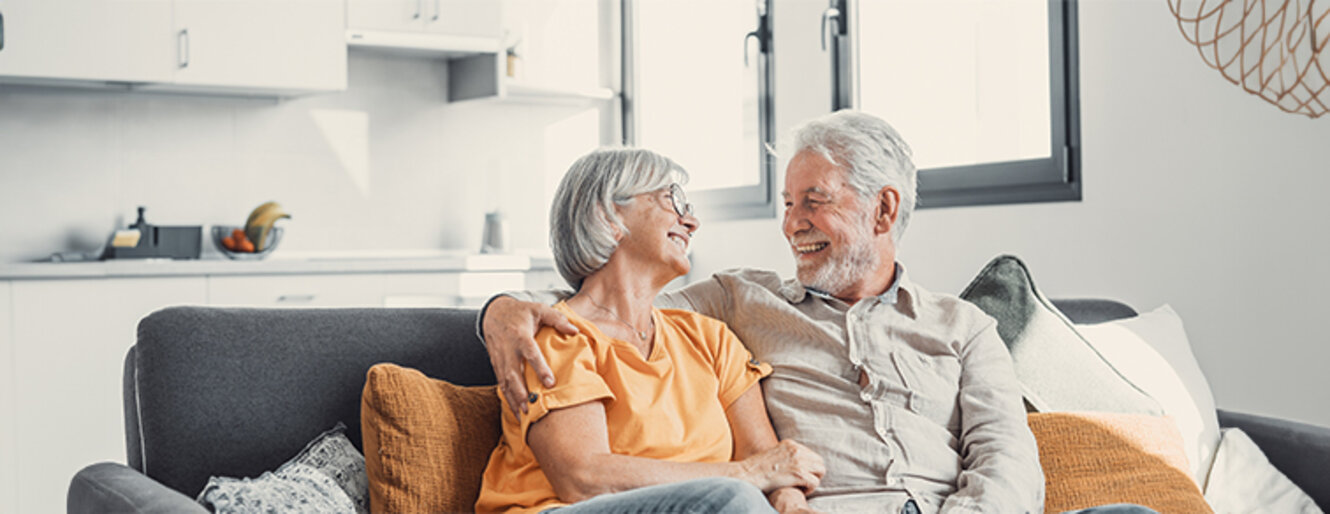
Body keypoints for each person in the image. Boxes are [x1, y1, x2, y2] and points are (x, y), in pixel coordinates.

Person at [482, 111, 1159, 514]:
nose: (793, 224)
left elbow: (1007, 459)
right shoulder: (739, 302)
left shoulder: (963, 328)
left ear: (883, 208)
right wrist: (501, 307)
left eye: (814, 200)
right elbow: (604, 306)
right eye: (786, 204)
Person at [474, 148, 827, 514]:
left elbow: (769, 463)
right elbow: (583, 477)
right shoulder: (559, 335)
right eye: (671, 199)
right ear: (609, 216)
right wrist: (745, 476)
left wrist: (790, 504)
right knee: (733, 499)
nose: (691, 222)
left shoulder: (711, 339)